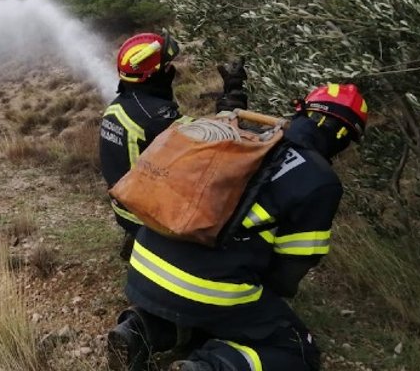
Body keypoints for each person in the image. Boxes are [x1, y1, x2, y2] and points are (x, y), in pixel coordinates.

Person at [107, 83, 370, 371]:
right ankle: (211, 367)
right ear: (343, 136)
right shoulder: (320, 180)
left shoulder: (246, 137)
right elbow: (287, 276)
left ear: (302, 111)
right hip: (199, 289)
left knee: (200, 305)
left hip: (143, 267)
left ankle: (139, 330)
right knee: (295, 348)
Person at [99, 32, 249, 261]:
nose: (172, 70)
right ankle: (157, 247)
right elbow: (212, 146)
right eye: (167, 66)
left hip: (124, 208)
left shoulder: (118, 106)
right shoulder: (156, 117)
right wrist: (232, 103)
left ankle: (139, 241)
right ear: (155, 75)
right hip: (145, 217)